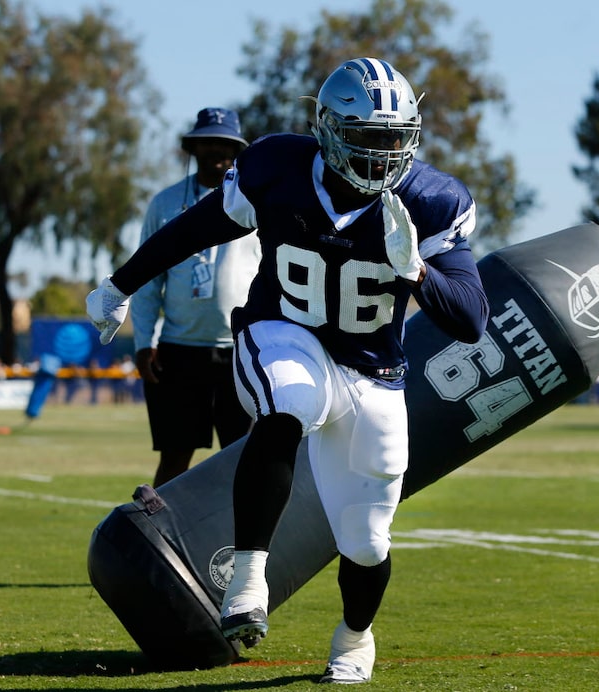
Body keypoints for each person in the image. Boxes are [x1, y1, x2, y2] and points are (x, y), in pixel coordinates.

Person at [87, 57, 489, 685]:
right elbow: (196, 229)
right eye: (367, 137)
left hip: (372, 370)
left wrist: (417, 273)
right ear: (328, 129)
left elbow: (470, 318)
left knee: (366, 541)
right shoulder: (277, 166)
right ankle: (249, 575)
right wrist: (121, 283)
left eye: (395, 137)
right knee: (287, 406)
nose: (383, 155)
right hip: (285, 331)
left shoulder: (432, 200)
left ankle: (356, 638)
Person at [131, 108, 260, 487]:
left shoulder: (259, 202)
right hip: (178, 350)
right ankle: (157, 542)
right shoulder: (165, 204)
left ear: (237, 150)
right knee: (174, 458)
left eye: (224, 143)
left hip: (241, 351)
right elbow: (147, 278)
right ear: (193, 147)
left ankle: (244, 544)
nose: (216, 150)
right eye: (207, 141)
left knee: (246, 459)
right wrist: (143, 342)